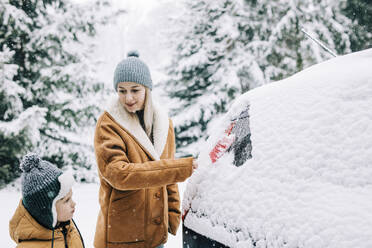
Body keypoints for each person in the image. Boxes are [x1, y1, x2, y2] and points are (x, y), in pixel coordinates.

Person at [93, 51, 197, 248]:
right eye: (122, 91)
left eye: (135, 90)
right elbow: (119, 174)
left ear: (147, 89)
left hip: (155, 236)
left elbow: (168, 178)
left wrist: (172, 214)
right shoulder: (108, 124)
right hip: (121, 236)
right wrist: (180, 168)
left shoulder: (163, 124)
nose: (128, 97)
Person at [9, 153, 84, 248]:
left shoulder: (68, 229)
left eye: (71, 198)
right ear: (46, 211)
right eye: (66, 200)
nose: (73, 204)